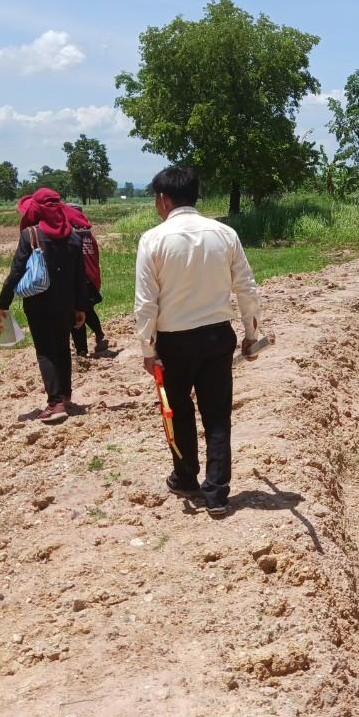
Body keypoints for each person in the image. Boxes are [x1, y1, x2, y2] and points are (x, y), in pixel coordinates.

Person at [134, 166, 262, 517]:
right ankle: (218, 492)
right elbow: (246, 288)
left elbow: (146, 303)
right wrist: (251, 336)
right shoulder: (224, 234)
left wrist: (148, 348)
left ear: (163, 198)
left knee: (176, 410)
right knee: (217, 415)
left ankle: (186, 476)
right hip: (217, 336)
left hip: (174, 342)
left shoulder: (153, 239)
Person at [0, 187, 88, 424]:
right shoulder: (74, 237)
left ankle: (55, 403)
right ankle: (65, 396)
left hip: (38, 305)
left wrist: (1, 305)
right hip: (66, 304)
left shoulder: (30, 235)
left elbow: (16, 271)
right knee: (63, 348)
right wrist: (80, 308)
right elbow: (80, 276)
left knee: (45, 351)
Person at [65, 203, 110, 357]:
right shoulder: (89, 235)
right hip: (92, 278)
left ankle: (82, 350)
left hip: (79, 280)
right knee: (87, 309)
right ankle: (99, 334)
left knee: (76, 314)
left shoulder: (69, 234)